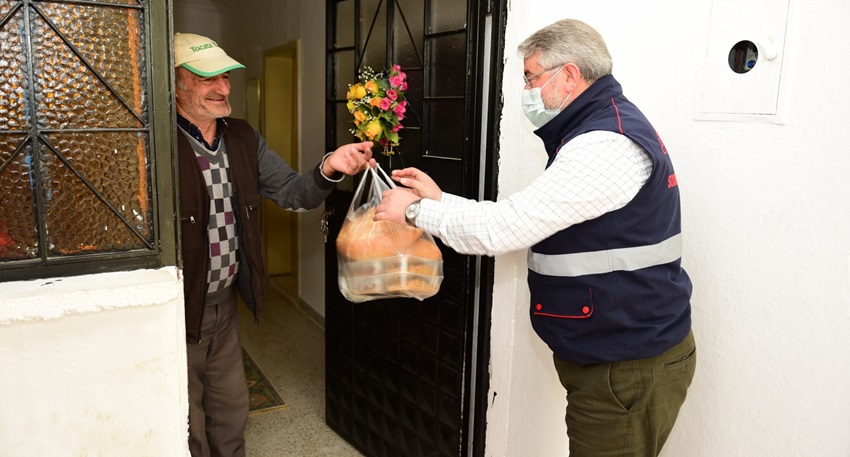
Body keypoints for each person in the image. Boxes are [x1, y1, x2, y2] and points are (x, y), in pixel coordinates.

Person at [375, 19, 695, 457]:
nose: (526, 91)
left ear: (568, 75)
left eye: (531, 78)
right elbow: (521, 217)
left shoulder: (605, 143)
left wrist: (413, 211)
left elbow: (502, 228)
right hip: (615, 354)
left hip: (626, 365)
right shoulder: (596, 128)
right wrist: (441, 198)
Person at [173, 32, 374, 457]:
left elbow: (293, 192)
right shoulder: (154, 144)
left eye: (225, 76)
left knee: (230, 408)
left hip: (225, 304)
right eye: (207, 78)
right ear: (176, 83)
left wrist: (330, 167)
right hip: (176, 308)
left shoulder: (242, 138)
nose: (223, 87)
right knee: (183, 417)